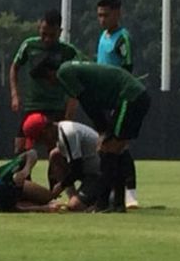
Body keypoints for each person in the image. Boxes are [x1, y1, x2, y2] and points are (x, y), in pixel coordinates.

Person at [38, 60, 150, 212]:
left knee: (108, 150)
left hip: (129, 97)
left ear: (49, 74)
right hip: (135, 96)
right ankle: (117, 203)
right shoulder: (72, 67)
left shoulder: (63, 73)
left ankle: (105, 204)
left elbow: (87, 101)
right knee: (116, 151)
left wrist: (102, 129)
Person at [10, 9, 81, 154]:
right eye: (44, 34)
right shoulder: (29, 46)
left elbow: (76, 81)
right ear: (39, 28)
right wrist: (15, 95)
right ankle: (24, 176)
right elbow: (14, 68)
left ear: (60, 32)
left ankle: (57, 177)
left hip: (56, 106)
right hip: (32, 105)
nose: (47, 39)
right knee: (20, 147)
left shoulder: (68, 51)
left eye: (52, 35)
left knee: (55, 148)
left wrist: (70, 110)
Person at [96, 0, 139, 208]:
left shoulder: (123, 38)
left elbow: (127, 68)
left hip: (119, 100)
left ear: (117, 13)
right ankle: (116, 196)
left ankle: (129, 193)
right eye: (99, 15)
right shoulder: (102, 37)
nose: (102, 20)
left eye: (106, 15)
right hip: (104, 100)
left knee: (118, 146)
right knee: (111, 148)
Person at [25, 116, 102, 212]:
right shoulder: (60, 133)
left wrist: (60, 186)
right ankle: (74, 197)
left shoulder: (68, 133)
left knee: (75, 206)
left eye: (41, 139)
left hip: (99, 175)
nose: (42, 143)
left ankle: (106, 197)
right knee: (55, 155)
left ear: (46, 130)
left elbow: (77, 169)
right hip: (88, 171)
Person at [0, 149, 56, 213]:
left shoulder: (1, 175)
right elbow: (14, 208)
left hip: (5, 181)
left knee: (47, 197)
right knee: (37, 203)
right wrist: (42, 209)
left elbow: (32, 153)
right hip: (1, 194)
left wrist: (26, 170)